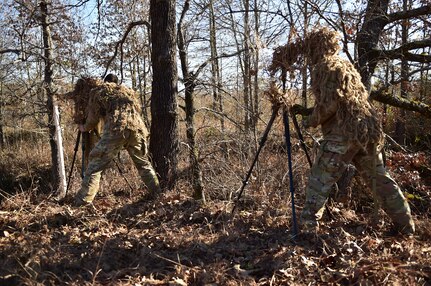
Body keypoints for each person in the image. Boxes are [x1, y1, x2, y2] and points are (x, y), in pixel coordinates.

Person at [288, 27, 415, 235]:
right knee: (381, 181)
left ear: (316, 48)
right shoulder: (345, 66)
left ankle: (306, 229)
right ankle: (406, 227)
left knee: (319, 181)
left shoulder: (324, 67)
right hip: (366, 131)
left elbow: (330, 103)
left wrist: (309, 120)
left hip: (344, 132)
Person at [68, 75, 161, 206]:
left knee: (95, 165)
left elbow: (93, 119)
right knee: (144, 164)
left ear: (105, 82)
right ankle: (158, 194)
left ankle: (83, 201)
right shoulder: (127, 92)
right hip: (137, 130)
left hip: (116, 130)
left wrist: (84, 127)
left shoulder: (99, 92)